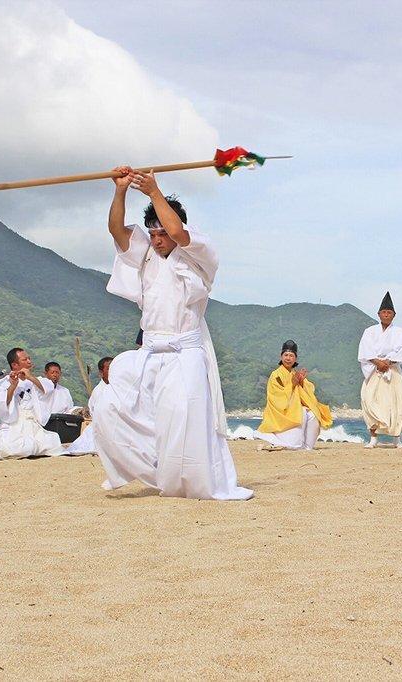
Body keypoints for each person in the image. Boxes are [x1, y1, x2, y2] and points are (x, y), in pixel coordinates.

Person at [94, 166, 252, 499]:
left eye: (160, 233)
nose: (157, 239)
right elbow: (116, 231)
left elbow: (179, 234)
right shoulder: (146, 254)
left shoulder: (199, 253)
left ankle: (192, 483)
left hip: (186, 354)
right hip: (150, 353)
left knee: (184, 418)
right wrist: (120, 190)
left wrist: (153, 191)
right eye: (152, 233)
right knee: (108, 401)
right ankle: (150, 472)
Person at [0, 348, 66, 459]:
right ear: (15, 365)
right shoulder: (3, 383)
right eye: (25, 359)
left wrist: (30, 377)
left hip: (32, 423)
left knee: (53, 442)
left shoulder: (36, 380)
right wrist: (13, 386)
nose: (29, 361)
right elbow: (3, 403)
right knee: (17, 448)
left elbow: (47, 389)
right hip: (13, 424)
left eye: (29, 358)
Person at [256, 340, 333, 450]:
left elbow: (309, 390)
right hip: (283, 412)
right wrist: (292, 384)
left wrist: (301, 382)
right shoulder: (276, 375)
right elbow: (277, 396)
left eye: (291, 355)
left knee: (313, 414)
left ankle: (307, 446)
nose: (288, 358)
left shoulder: (295, 374)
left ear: (295, 358)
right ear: (281, 357)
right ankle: (292, 443)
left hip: (296, 407)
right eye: (286, 355)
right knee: (300, 412)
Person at [357, 291, 402, 448]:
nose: (386, 315)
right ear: (379, 314)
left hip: (392, 370)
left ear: (394, 315)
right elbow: (364, 349)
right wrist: (377, 361)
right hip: (374, 371)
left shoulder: (400, 332)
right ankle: (373, 438)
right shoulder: (370, 331)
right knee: (369, 401)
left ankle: (396, 439)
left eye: (389, 312)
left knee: (398, 403)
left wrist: (388, 361)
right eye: (384, 312)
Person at [67, 356, 113, 455]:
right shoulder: (99, 391)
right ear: (101, 373)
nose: (113, 370)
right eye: (109, 368)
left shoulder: (117, 387)